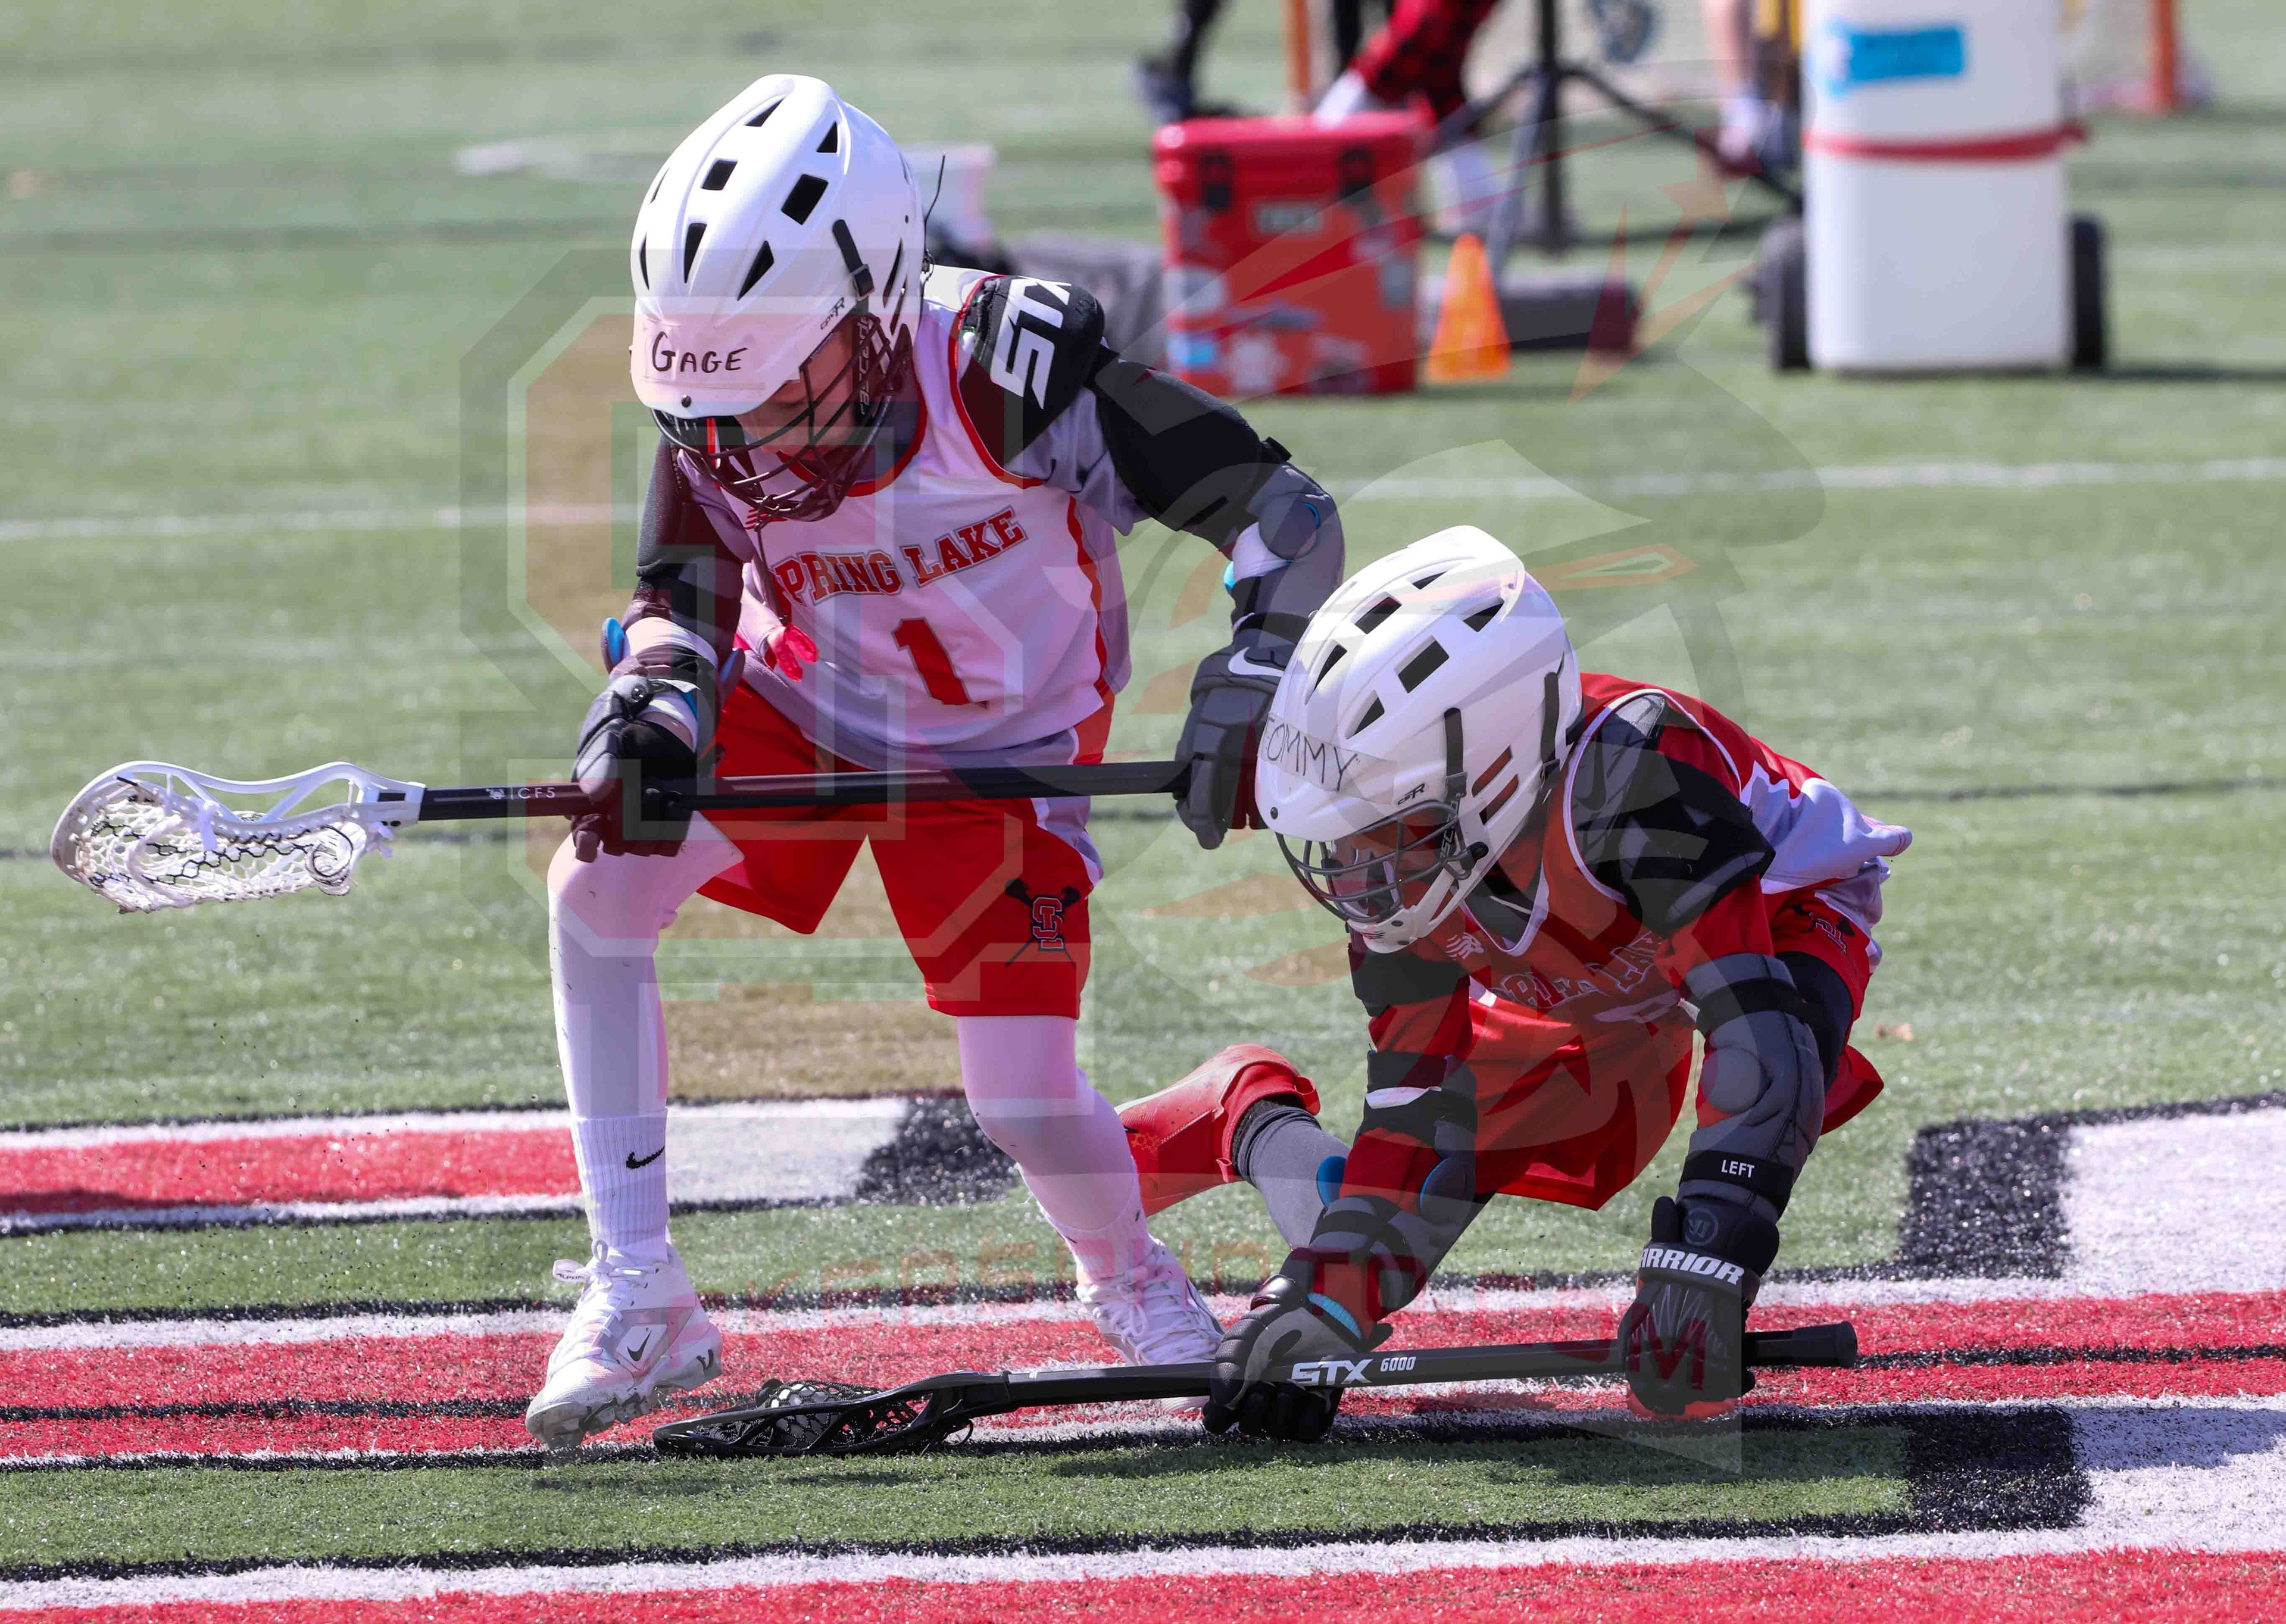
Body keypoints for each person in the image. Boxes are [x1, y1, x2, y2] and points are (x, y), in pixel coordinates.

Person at [527, 73, 1345, 1448]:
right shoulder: (727, 412)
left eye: (782, 394)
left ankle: (1125, 1271)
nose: (747, 449)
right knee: (596, 882)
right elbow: (681, 591)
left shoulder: (1007, 374)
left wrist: (1257, 674)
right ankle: (637, 1283)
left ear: (880, 304)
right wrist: (649, 703)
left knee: (1021, 1098)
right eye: (711, 413)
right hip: (804, 705)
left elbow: (1282, 512)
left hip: (1008, 750)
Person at [1117, 525, 1909, 1438]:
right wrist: (1319, 1306)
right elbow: (1413, 1116)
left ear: (1491, 768)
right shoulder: (1425, 858)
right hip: (1585, 959)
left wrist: (1712, 1252)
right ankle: (1252, 1118)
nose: (1355, 863)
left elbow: (1758, 1034)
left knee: (1778, 1051)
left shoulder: (1635, 775)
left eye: (1383, 823)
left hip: (1776, 909)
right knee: (1420, 1187)